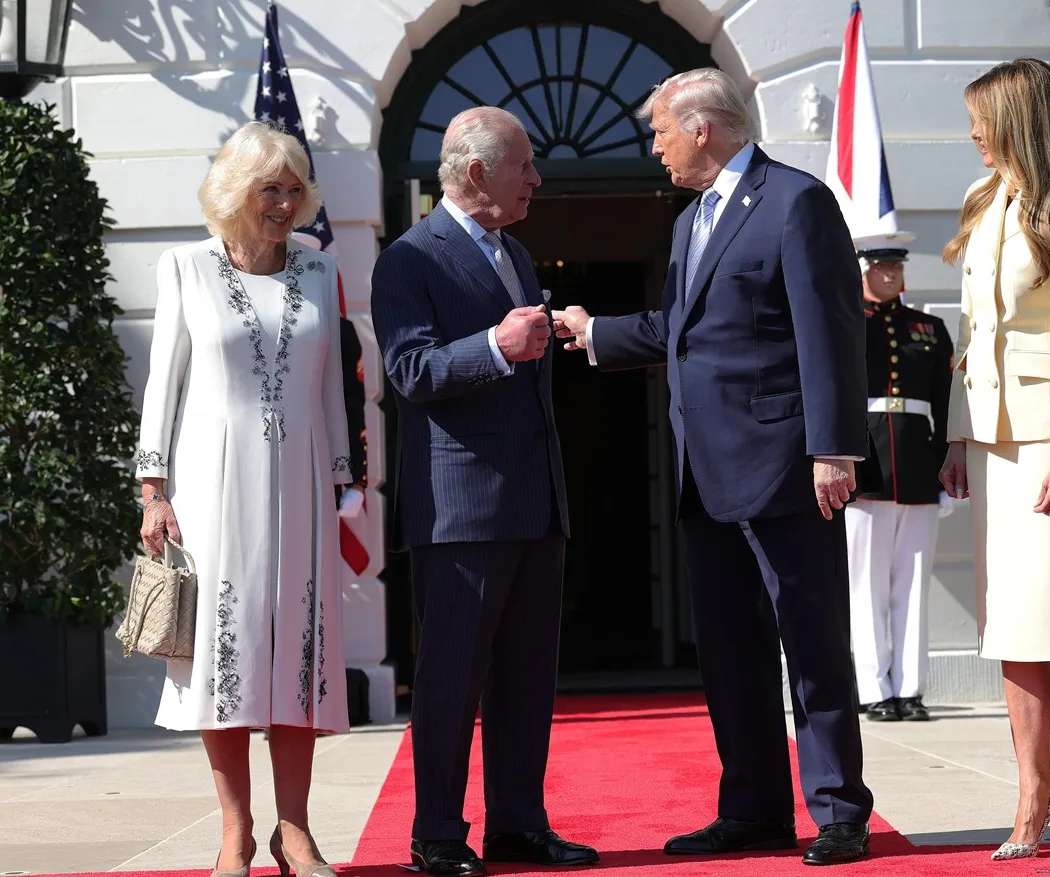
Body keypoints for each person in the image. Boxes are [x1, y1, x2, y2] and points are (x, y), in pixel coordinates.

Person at [554, 68, 874, 866]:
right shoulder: (692, 217)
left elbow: (828, 330)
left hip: (788, 466)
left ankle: (838, 809)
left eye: (659, 130)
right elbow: (678, 327)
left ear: (701, 127)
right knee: (730, 653)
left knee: (812, 642)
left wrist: (834, 446)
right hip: (705, 472)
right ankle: (755, 809)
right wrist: (594, 332)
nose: (653, 147)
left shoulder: (795, 202)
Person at [370, 106, 599, 877]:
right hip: (461, 508)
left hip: (535, 502)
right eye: (524, 164)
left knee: (528, 679)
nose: (537, 177)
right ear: (476, 174)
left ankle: (518, 825)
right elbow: (409, 372)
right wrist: (494, 348)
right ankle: (436, 833)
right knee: (451, 678)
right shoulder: (411, 258)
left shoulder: (517, 253)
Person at [136, 121, 352, 877]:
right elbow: (163, 380)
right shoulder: (186, 267)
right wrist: (152, 488)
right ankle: (236, 831)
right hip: (209, 482)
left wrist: (344, 485)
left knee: (298, 654)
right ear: (236, 192)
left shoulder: (321, 272)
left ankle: (295, 831)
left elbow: (330, 387)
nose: (286, 203)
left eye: (296, 189)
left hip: (300, 483)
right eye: (271, 188)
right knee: (221, 661)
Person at [938, 58, 1050, 863]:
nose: (972, 132)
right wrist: (955, 436)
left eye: (983, 117)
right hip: (993, 439)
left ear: (1019, 117)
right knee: (1012, 622)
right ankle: (1031, 787)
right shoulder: (986, 201)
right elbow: (973, 337)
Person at [847, 234, 954, 723]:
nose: (891, 275)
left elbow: (944, 402)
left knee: (913, 584)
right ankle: (874, 689)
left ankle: (910, 689)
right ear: (863, 270)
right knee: (866, 584)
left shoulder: (927, 328)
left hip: (916, 467)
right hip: (866, 466)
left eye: (896, 268)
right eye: (881, 267)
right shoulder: (845, 325)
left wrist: (945, 465)